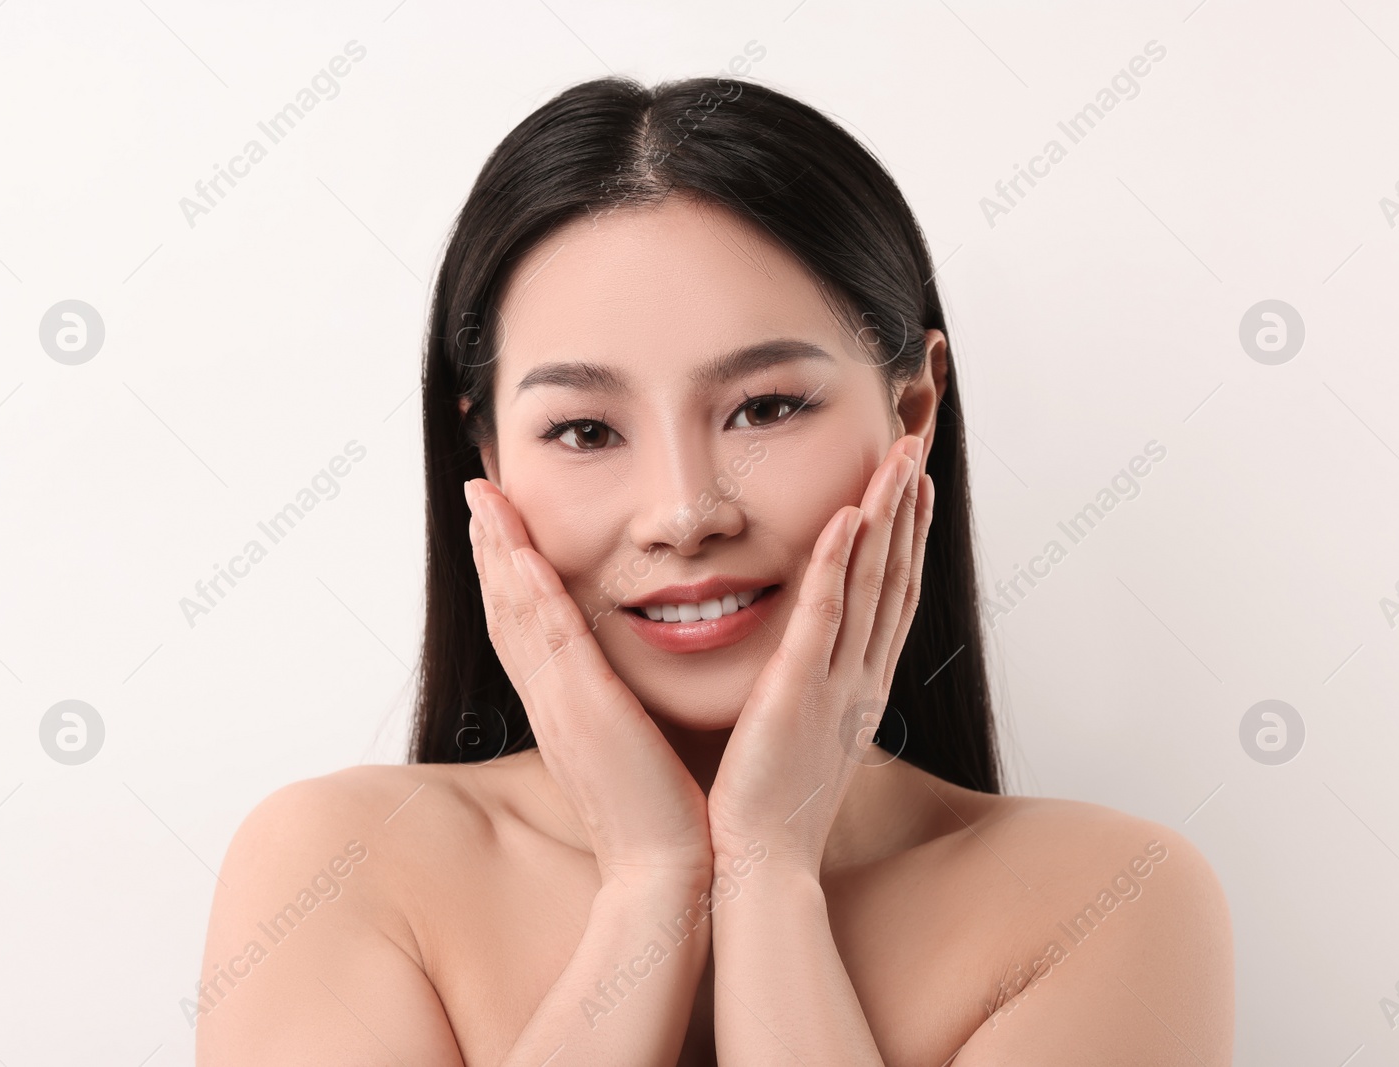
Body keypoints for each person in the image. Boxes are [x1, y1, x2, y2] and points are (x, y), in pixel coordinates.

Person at [195, 75, 1234, 1066]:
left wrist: (769, 875)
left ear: (912, 411)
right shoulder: (338, 867)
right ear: (488, 458)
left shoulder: (1106, 899)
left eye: (767, 407)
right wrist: (652, 883)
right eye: (586, 428)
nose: (685, 512)